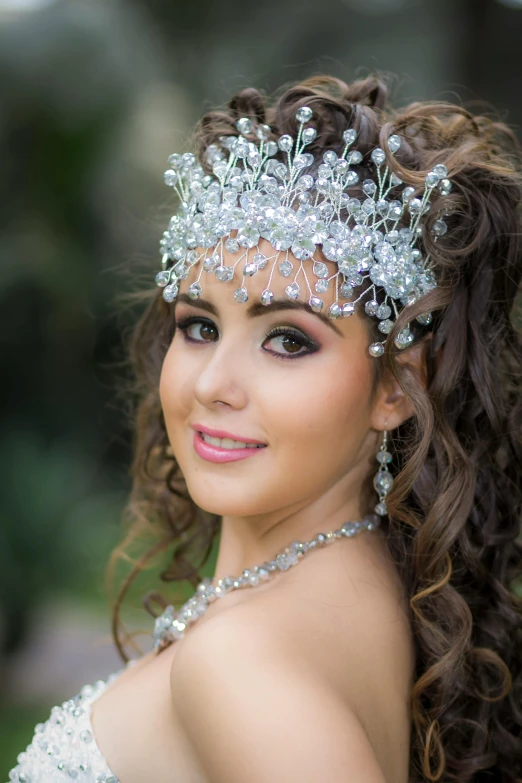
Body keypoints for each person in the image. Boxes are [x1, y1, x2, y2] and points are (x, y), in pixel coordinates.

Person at [8, 74, 522, 783]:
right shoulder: (379, 579)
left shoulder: (241, 661)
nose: (213, 384)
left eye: (288, 340)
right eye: (199, 325)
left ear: (399, 386)